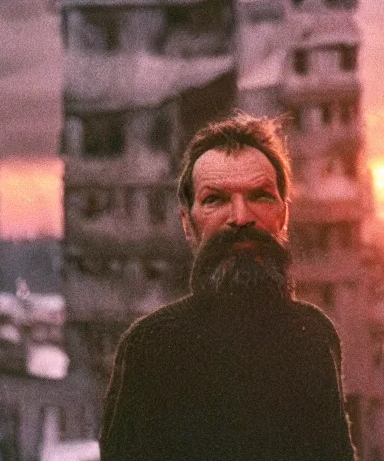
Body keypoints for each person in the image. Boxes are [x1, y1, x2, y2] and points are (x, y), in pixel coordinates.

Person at [100, 113, 356, 460]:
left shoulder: (313, 335)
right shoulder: (150, 346)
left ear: (284, 214)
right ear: (187, 223)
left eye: (260, 196)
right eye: (215, 199)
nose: (240, 217)